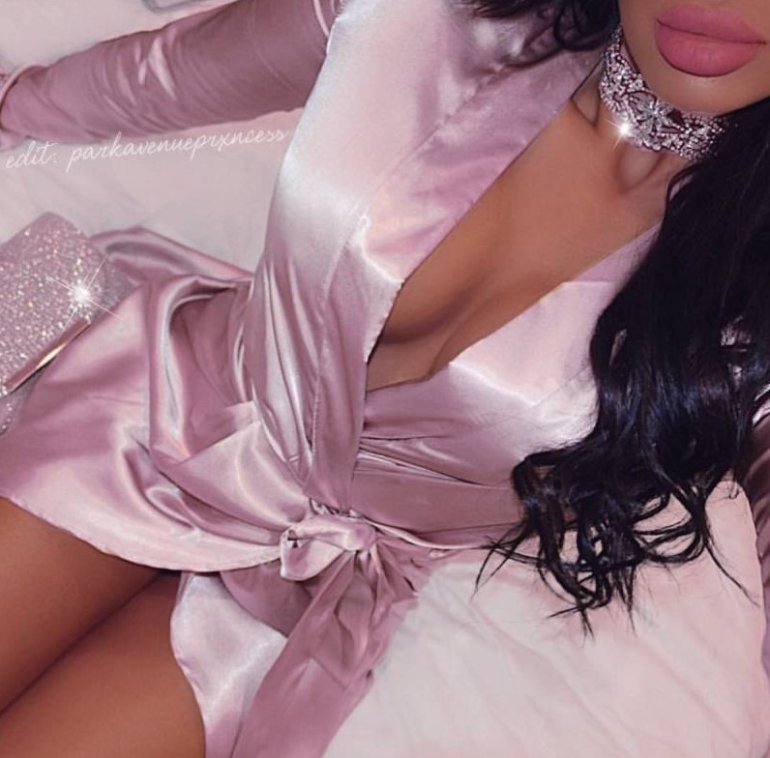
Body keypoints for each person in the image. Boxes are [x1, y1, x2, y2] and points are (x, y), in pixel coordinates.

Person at [0, 0, 768, 755]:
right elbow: (164, 76)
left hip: (306, 595)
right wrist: (14, 103)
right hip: (163, 425)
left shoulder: (751, 298)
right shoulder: (415, 22)